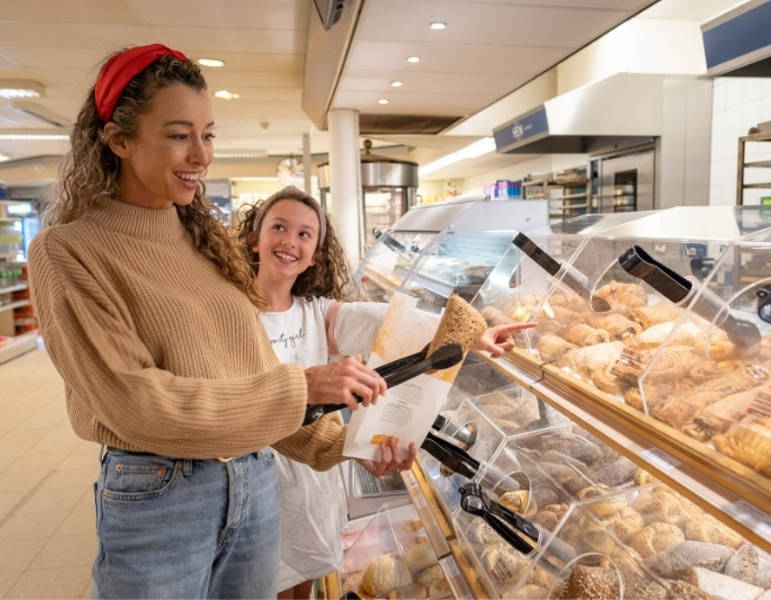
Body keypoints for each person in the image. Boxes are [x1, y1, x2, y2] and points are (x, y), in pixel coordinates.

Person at [26, 44, 400, 600]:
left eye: (208, 134)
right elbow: (134, 402)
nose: (201, 155)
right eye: (179, 135)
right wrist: (301, 387)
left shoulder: (204, 241)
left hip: (255, 478)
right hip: (162, 496)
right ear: (118, 140)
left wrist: (349, 445)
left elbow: (247, 376)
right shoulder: (69, 251)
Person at [235, 186, 535, 599]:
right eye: (279, 227)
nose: (290, 241)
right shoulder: (232, 314)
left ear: (316, 255)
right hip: (254, 486)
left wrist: (470, 335)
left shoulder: (317, 314)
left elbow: (386, 322)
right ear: (255, 239)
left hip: (312, 487)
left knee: (305, 579)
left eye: (305, 234)